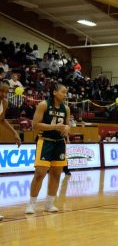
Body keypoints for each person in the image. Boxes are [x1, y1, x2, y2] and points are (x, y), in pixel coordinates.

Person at [25, 82, 70, 214]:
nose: (65, 94)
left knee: (56, 174)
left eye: (66, 92)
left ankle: (49, 204)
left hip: (60, 143)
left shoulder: (66, 108)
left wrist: (67, 129)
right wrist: (54, 127)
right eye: (63, 92)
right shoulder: (43, 105)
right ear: (54, 92)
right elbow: (35, 125)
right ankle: (31, 204)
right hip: (45, 141)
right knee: (40, 173)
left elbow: (67, 125)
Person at [0, 80, 22, 221]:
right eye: (1, 91)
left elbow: (1, 120)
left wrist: (14, 132)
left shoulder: (5, 103)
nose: (3, 94)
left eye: (6, 92)